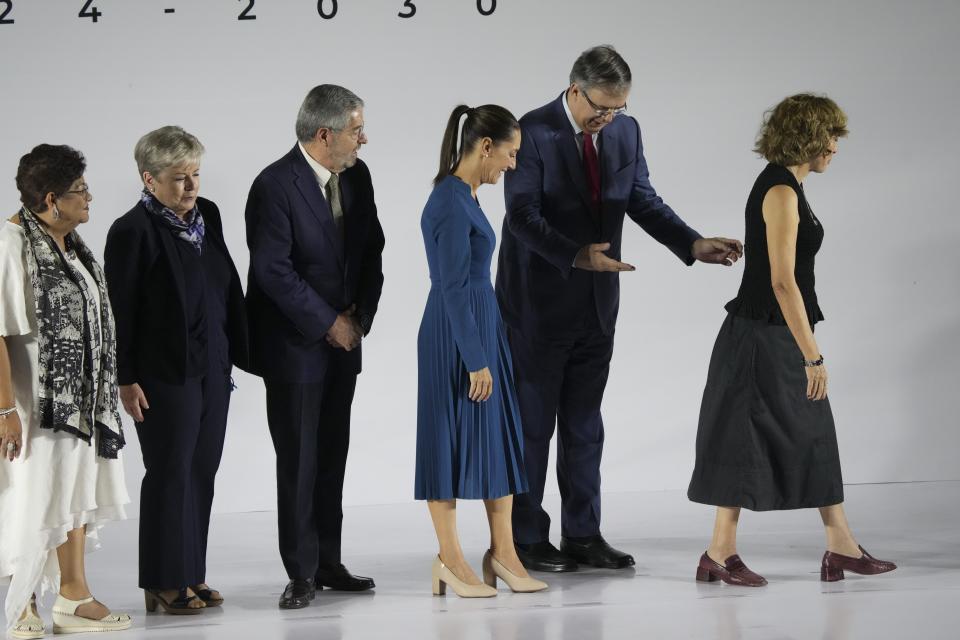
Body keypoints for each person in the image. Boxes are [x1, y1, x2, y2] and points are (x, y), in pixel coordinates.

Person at [496, 45, 743, 572]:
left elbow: (642, 199)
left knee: (586, 425)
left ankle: (583, 535)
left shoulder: (625, 132)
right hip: (536, 305)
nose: (607, 119)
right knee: (533, 427)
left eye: (618, 109)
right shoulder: (533, 130)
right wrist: (575, 255)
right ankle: (523, 539)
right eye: (600, 109)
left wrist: (692, 244)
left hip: (598, 305)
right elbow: (521, 214)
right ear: (574, 89)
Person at [687, 94, 897, 585]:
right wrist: (813, 355)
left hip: (770, 332)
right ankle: (721, 553)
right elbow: (783, 282)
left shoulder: (788, 188)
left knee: (810, 431)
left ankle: (836, 545)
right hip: (761, 337)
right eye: (831, 136)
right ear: (806, 136)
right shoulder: (780, 190)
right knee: (745, 436)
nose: (835, 147)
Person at [245, 84, 385, 609]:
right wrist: (329, 323)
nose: (363, 140)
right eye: (356, 130)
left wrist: (360, 317)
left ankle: (329, 561)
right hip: (295, 346)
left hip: (345, 341)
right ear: (325, 134)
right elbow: (272, 272)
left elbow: (373, 248)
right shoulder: (273, 186)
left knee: (332, 456)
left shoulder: (358, 176)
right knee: (299, 460)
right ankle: (300, 571)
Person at [104, 126, 250, 613]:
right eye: (178, 178)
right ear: (149, 179)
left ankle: (191, 572)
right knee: (170, 472)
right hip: (162, 373)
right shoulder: (131, 231)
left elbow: (224, 284)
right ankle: (164, 581)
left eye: (195, 175)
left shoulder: (208, 216)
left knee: (202, 471)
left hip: (212, 365)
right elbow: (120, 311)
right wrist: (125, 378)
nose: (190, 188)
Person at [417, 104, 548, 598]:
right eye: (510, 154)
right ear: (486, 146)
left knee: (500, 440)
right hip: (454, 335)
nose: (512, 166)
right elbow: (451, 286)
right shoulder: (449, 200)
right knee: (446, 442)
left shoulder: (468, 194)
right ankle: (450, 560)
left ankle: (504, 554)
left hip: (480, 326)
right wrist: (475, 357)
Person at [0, 144, 131, 636]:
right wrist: (4, 410)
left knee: (71, 493)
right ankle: (24, 602)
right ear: (52, 200)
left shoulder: (71, 247)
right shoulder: (11, 245)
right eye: (80, 191)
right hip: (33, 405)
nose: (89, 197)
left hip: (78, 403)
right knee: (31, 496)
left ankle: (73, 596)